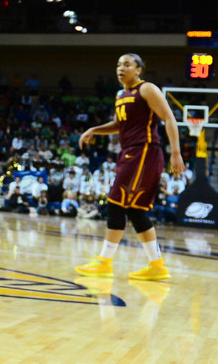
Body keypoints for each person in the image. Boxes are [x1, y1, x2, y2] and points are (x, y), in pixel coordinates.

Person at [75, 53, 185, 280]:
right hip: (130, 153)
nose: (121, 68)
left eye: (127, 64)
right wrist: (95, 129)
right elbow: (119, 125)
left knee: (115, 202)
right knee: (135, 210)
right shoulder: (120, 94)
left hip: (144, 152)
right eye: (118, 64)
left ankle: (104, 262)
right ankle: (157, 266)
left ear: (139, 70)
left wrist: (175, 153)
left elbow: (169, 118)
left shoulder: (147, 89)